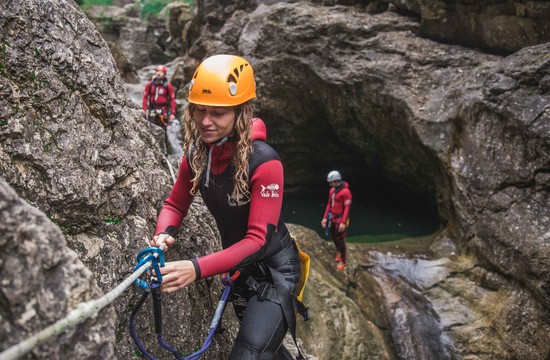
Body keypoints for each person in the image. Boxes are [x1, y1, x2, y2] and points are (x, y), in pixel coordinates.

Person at [150, 54, 308, 360]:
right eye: (199, 111)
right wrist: (163, 235)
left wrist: (195, 269)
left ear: (241, 113)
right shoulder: (198, 155)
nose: (206, 121)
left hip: (276, 272)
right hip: (240, 269)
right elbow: (174, 204)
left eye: (218, 113)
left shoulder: (264, 161)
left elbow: (258, 240)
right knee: (266, 350)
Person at [321, 170, 352, 271]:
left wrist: (343, 222)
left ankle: (343, 260)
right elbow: (329, 204)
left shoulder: (345, 192)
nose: (330, 184)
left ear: (336, 181)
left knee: (341, 240)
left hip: (340, 219)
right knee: (333, 235)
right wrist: (325, 217)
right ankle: (339, 251)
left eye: (331, 182)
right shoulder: (332, 191)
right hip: (333, 218)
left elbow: (347, 208)